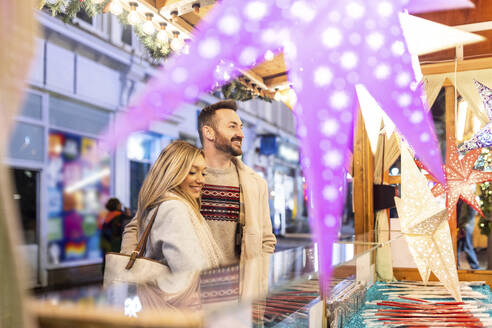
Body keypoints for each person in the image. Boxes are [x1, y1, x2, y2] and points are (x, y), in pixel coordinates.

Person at [121, 100, 276, 264]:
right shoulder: (181, 175)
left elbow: (266, 239)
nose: (241, 134)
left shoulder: (256, 183)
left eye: (240, 127)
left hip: (240, 286)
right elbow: (137, 227)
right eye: (232, 127)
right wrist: (129, 266)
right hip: (187, 284)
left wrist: (259, 275)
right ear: (209, 132)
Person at [126, 140, 224, 272]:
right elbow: (190, 272)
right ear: (173, 173)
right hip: (183, 291)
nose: (201, 180)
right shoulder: (174, 208)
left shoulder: (162, 201)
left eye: (204, 173)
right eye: (192, 172)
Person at [100, 197, 131, 271]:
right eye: (120, 204)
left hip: (107, 248)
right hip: (118, 249)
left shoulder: (107, 217)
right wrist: (128, 215)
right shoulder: (121, 217)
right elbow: (129, 230)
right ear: (117, 206)